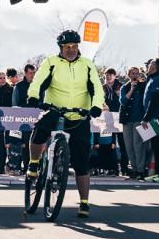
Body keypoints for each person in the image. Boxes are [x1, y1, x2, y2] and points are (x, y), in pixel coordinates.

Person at [26, 29, 106, 218]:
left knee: (82, 161)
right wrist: (33, 95)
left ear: (78, 47)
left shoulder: (87, 64)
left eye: (74, 46)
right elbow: (38, 81)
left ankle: (84, 202)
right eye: (67, 47)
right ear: (61, 48)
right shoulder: (51, 62)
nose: (71, 50)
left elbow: (97, 88)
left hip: (79, 115)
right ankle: (34, 163)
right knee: (40, 129)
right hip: (55, 109)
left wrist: (96, 106)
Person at [122, 66, 149, 179]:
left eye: (137, 73)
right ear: (129, 75)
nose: (135, 75)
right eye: (132, 73)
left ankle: (141, 170)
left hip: (139, 119)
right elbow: (123, 101)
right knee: (129, 146)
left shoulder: (144, 86)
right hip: (127, 120)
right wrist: (131, 89)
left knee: (138, 145)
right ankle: (134, 169)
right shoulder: (125, 87)